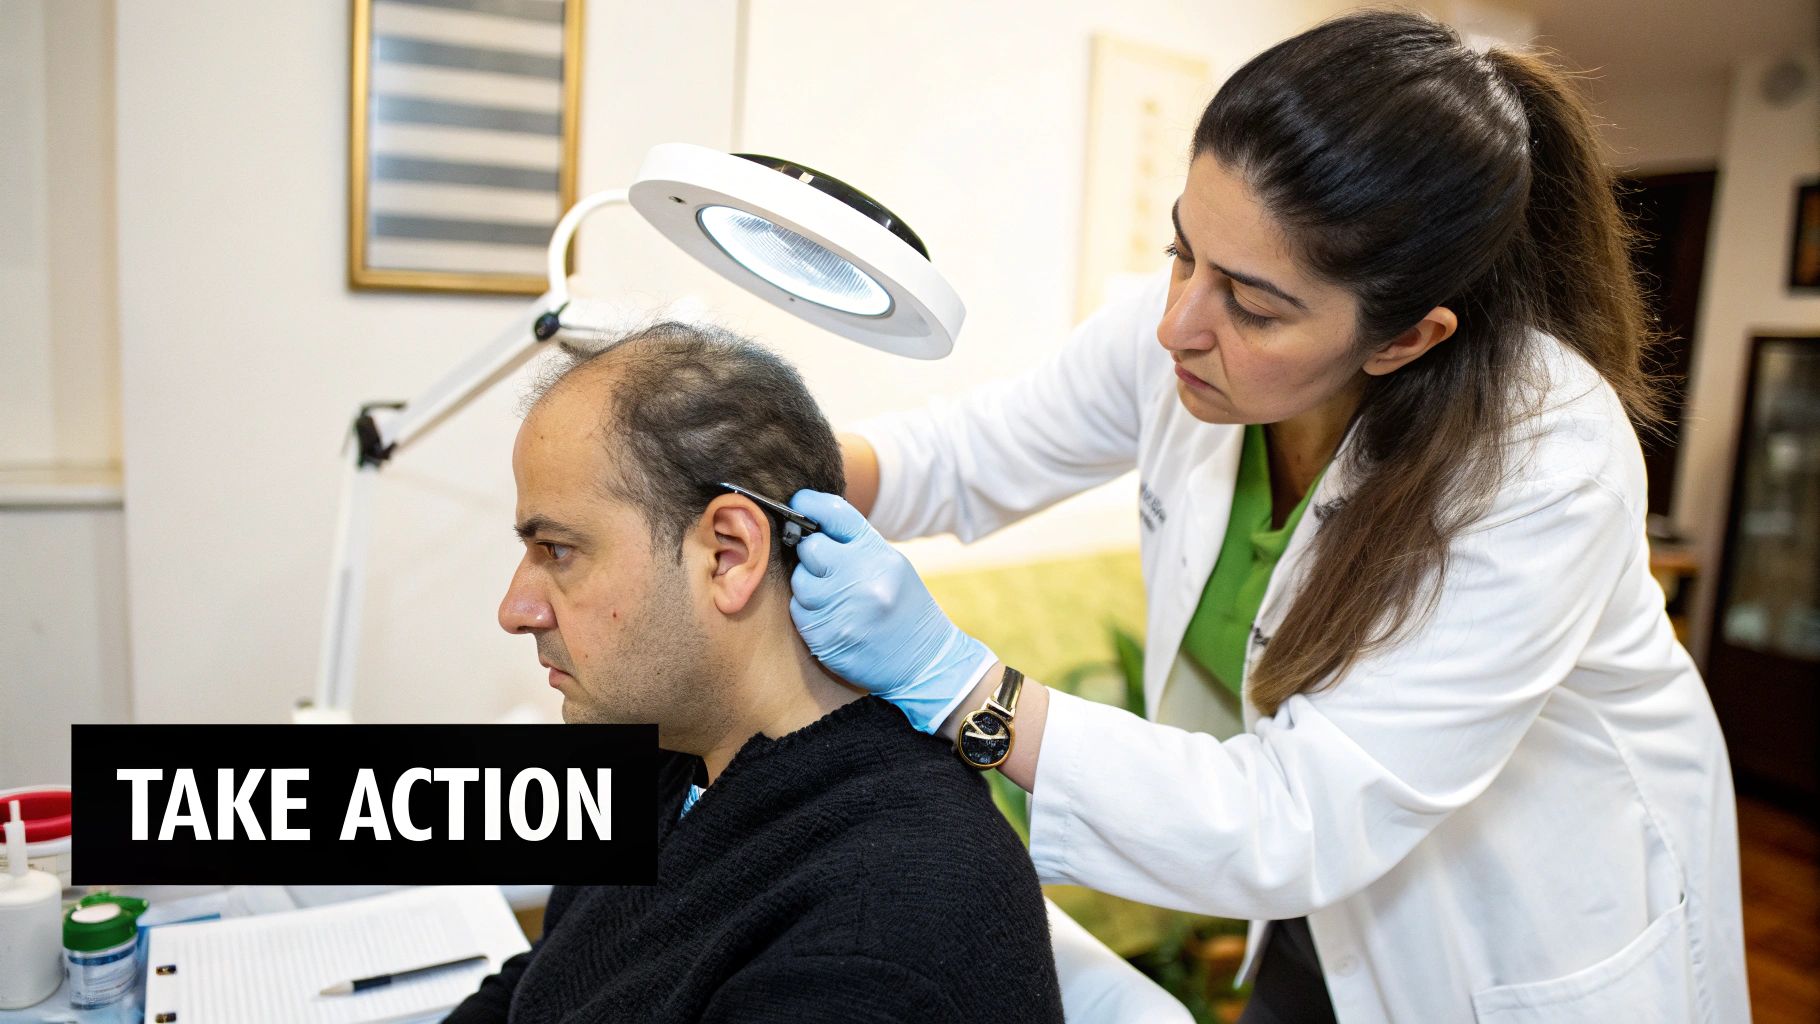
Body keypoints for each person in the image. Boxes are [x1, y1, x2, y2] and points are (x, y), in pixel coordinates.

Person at [782, 11, 1748, 1024]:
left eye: (1252, 304)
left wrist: (959, 686)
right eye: (1179, 250)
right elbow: (964, 454)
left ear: (1406, 336)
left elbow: (1296, 816)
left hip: (1513, 926)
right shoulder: (1187, 331)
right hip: (1307, 901)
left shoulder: (1543, 465)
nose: (1176, 324)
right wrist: (764, 457)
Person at [446, 323, 1064, 1024]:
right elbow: (550, 979)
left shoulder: (867, 944)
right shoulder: (674, 753)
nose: (515, 610)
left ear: (729, 554)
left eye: (558, 550)